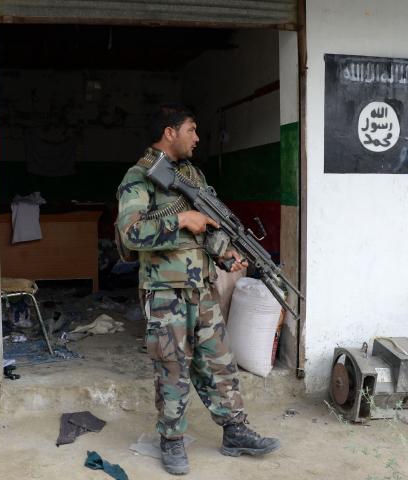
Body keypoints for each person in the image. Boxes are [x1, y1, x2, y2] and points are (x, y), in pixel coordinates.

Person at [116, 105, 280, 476]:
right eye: (191, 129)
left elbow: (208, 230)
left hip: (201, 288)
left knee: (219, 360)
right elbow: (131, 233)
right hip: (164, 291)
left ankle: (235, 430)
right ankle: (172, 441)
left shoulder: (192, 175)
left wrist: (226, 255)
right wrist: (182, 218)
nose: (198, 138)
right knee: (173, 368)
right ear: (169, 132)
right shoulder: (139, 176)